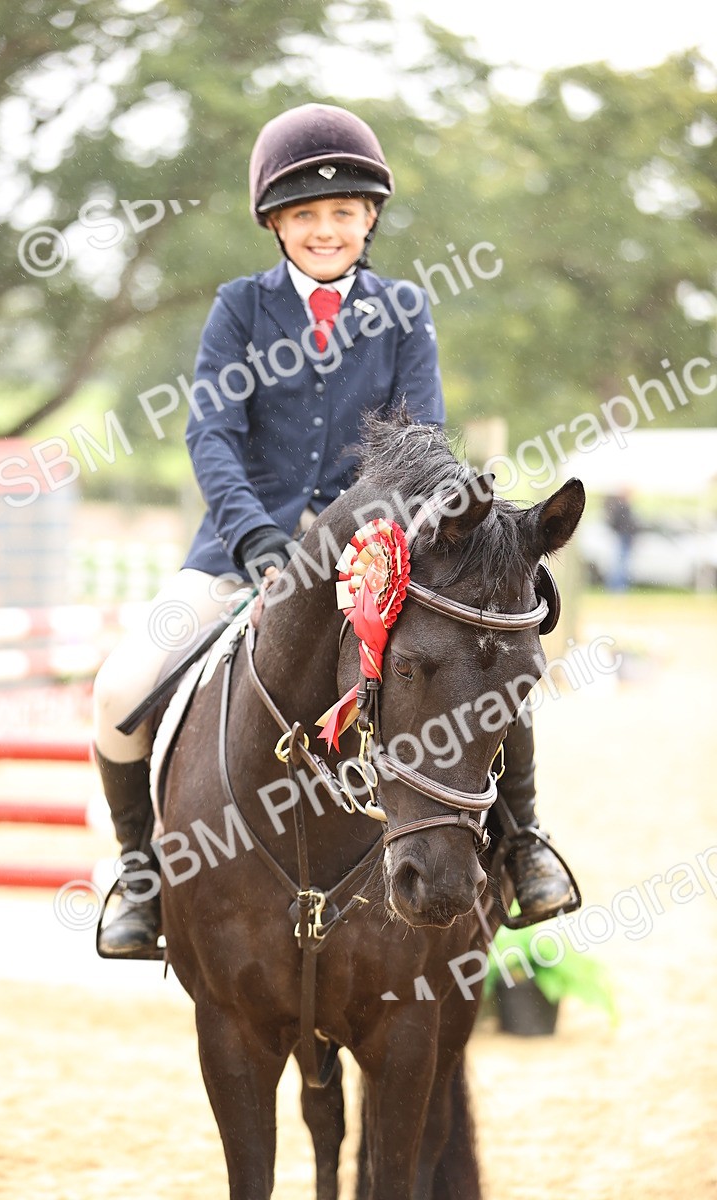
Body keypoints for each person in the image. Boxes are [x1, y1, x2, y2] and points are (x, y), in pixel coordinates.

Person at [92, 102, 573, 957]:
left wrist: (375, 542)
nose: (325, 229)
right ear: (276, 223)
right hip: (242, 555)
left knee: (484, 665)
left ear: (370, 218)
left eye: (342, 214)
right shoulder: (240, 310)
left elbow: (420, 440)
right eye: (305, 215)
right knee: (120, 689)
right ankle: (140, 876)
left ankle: (524, 839)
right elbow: (212, 434)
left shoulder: (404, 309)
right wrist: (258, 542)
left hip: (381, 562)